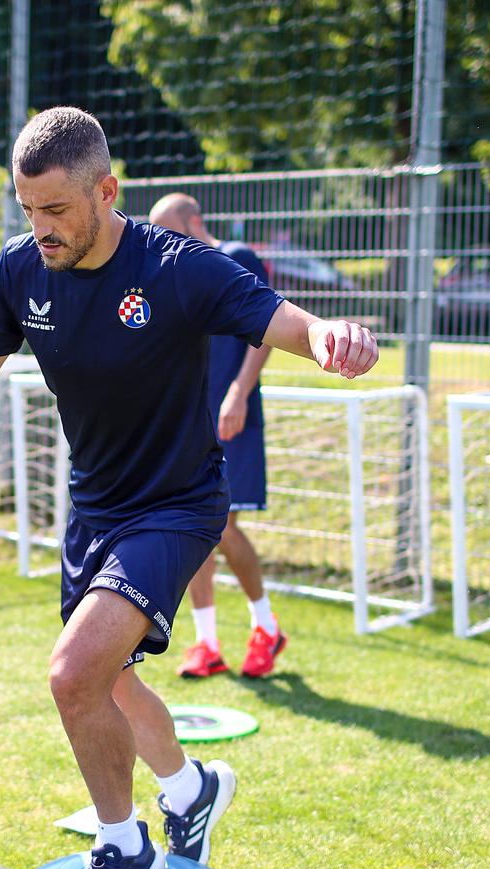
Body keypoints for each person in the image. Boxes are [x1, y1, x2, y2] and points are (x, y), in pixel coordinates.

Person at [0, 107, 377, 869]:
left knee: (73, 673)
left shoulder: (177, 267)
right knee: (110, 679)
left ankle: (125, 849)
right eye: (26, 210)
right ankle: (192, 791)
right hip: (95, 509)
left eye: (56, 211)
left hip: (176, 506)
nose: (39, 228)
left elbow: (279, 318)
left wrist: (329, 335)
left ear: (106, 191)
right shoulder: (20, 271)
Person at [148, 193, 284, 680]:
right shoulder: (176, 278)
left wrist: (239, 393)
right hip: (194, 424)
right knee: (195, 531)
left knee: (223, 526)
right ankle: (207, 644)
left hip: (235, 417)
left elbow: (267, 329)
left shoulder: (237, 257)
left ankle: (266, 628)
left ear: (194, 221)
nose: (164, 242)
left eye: (170, 229)